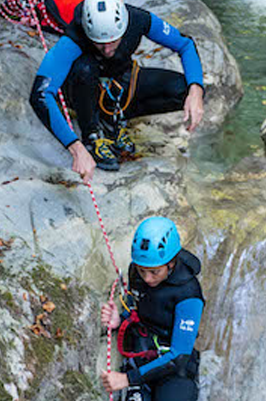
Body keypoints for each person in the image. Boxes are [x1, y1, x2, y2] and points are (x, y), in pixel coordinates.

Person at [30, 0, 204, 183]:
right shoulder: (75, 35)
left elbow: (185, 44)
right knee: (85, 68)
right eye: (99, 43)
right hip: (82, 89)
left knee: (182, 90)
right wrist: (76, 148)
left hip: (120, 80)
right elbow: (41, 94)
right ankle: (91, 135)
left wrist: (196, 90)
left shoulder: (139, 19)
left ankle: (112, 120)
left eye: (113, 42)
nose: (107, 50)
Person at [100, 216, 204, 401]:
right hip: (142, 349)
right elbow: (137, 304)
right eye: (142, 271)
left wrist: (127, 379)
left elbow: (179, 355)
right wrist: (121, 319)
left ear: (171, 263)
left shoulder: (189, 293)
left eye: (155, 272)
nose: (147, 278)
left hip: (173, 366)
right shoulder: (136, 271)